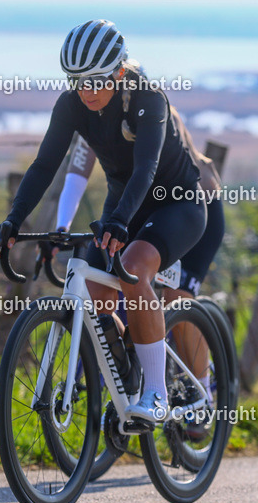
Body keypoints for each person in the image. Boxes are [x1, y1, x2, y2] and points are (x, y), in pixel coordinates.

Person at [0, 19, 207, 423]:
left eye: (94, 81)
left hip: (176, 204)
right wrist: (12, 222)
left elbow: (146, 169)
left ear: (119, 72)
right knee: (92, 289)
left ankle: (156, 393)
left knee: (135, 269)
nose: (85, 91)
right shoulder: (72, 104)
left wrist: (120, 221)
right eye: (76, 81)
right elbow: (44, 165)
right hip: (124, 205)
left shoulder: (147, 98)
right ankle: (124, 382)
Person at [52, 132, 227, 398]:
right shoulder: (92, 113)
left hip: (194, 205)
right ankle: (130, 375)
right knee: (106, 286)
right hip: (139, 209)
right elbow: (77, 174)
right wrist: (61, 228)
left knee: (176, 296)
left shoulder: (154, 109)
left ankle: (201, 394)